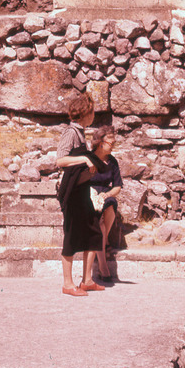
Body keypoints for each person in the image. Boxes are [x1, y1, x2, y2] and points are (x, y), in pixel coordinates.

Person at [56, 92, 107, 296]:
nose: (93, 115)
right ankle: (68, 285)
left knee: (93, 232)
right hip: (71, 192)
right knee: (71, 235)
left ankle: (87, 280)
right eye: (92, 111)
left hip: (82, 190)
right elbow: (60, 161)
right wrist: (83, 161)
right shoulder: (71, 132)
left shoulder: (81, 132)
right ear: (85, 113)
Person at [89, 125, 123, 282]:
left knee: (110, 204)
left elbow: (117, 187)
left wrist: (106, 194)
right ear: (101, 142)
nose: (114, 143)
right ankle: (103, 264)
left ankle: (102, 248)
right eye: (111, 141)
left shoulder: (112, 161)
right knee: (99, 224)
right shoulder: (88, 158)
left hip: (105, 194)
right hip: (89, 194)